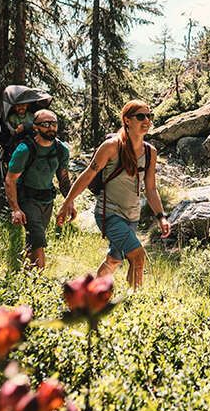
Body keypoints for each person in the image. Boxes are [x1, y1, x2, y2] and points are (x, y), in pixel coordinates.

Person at [56, 100, 171, 290]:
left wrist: (161, 216)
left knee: (114, 259)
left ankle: (92, 292)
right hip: (108, 214)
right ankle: (136, 303)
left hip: (132, 216)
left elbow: (150, 189)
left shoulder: (150, 152)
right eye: (140, 116)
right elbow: (88, 175)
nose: (147, 120)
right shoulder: (111, 146)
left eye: (149, 116)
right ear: (127, 120)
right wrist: (67, 202)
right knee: (138, 255)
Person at [5, 109, 72, 268]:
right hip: (27, 199)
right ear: (35, 127)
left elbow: (63, 179)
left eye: (54, 124)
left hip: (47, 199)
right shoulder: (24, 149)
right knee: (38, 238)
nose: (51, 128)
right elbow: (10, 180)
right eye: (46, 124)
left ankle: (29, 274)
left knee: (33, 239)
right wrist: (15, 209)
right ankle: (41, 281)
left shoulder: (61, 150)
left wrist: (69, 202)